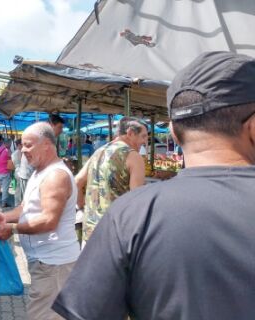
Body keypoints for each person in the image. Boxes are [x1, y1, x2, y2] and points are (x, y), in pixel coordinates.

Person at [53, 51, 255, 320]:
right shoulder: (132, 162)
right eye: (144, 136)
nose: (144, 141)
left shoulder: (130, 213)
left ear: (174, 132)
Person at [0, 122, 79, 320]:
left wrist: (11, 229)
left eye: (28, 145)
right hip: (45, 263)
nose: (23, 150)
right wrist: (6, 217)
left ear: (47, 145)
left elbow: (49, 220)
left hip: (53, 265)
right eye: (22, 145)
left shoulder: (56, 176)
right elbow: (26, 207)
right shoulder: (40, 172)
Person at [75, 116, 147, 242]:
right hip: (115, 232)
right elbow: (137, 200)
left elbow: (77, 182)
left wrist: (81, 206)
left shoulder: (99, 151)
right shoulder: (133, 156)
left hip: (91, 230)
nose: (145, 142)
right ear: (130, 133)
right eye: (143, 136)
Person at [0, 135, 12, 207]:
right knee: (5, 189)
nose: (10, 145)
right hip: (6, 173)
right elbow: (11, 162)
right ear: (7, 143)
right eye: (10, 144)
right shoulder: (8, 151)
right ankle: (4, 203)